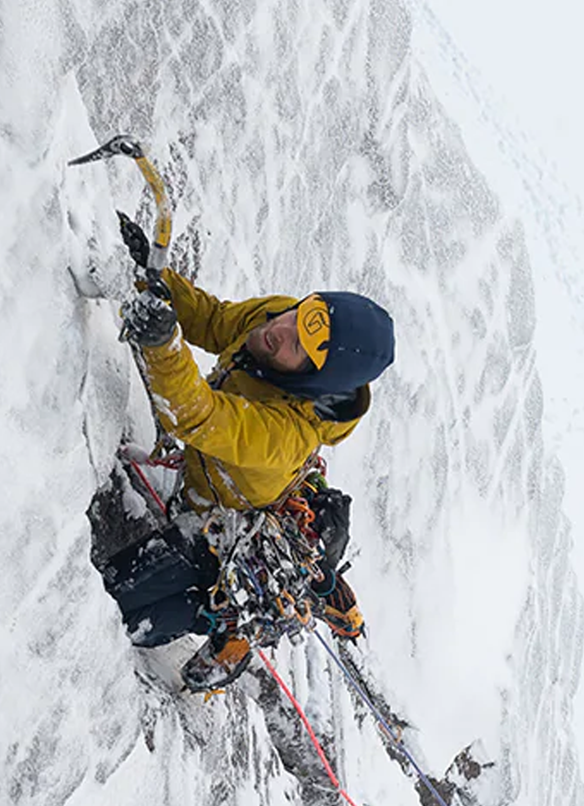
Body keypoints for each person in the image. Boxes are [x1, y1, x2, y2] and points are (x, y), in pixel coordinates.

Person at [97, 218, 395, 686]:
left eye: (300, 344)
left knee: (116, 605)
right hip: (211, 474)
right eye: (299, 317)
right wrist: (155, 278)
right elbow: (215, 321)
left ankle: (223, 624)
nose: (281, 329)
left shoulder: (290, 431)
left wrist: (161, 343)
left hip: (223, 526)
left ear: (314, 380)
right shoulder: (279, 318)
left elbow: (195, 416)